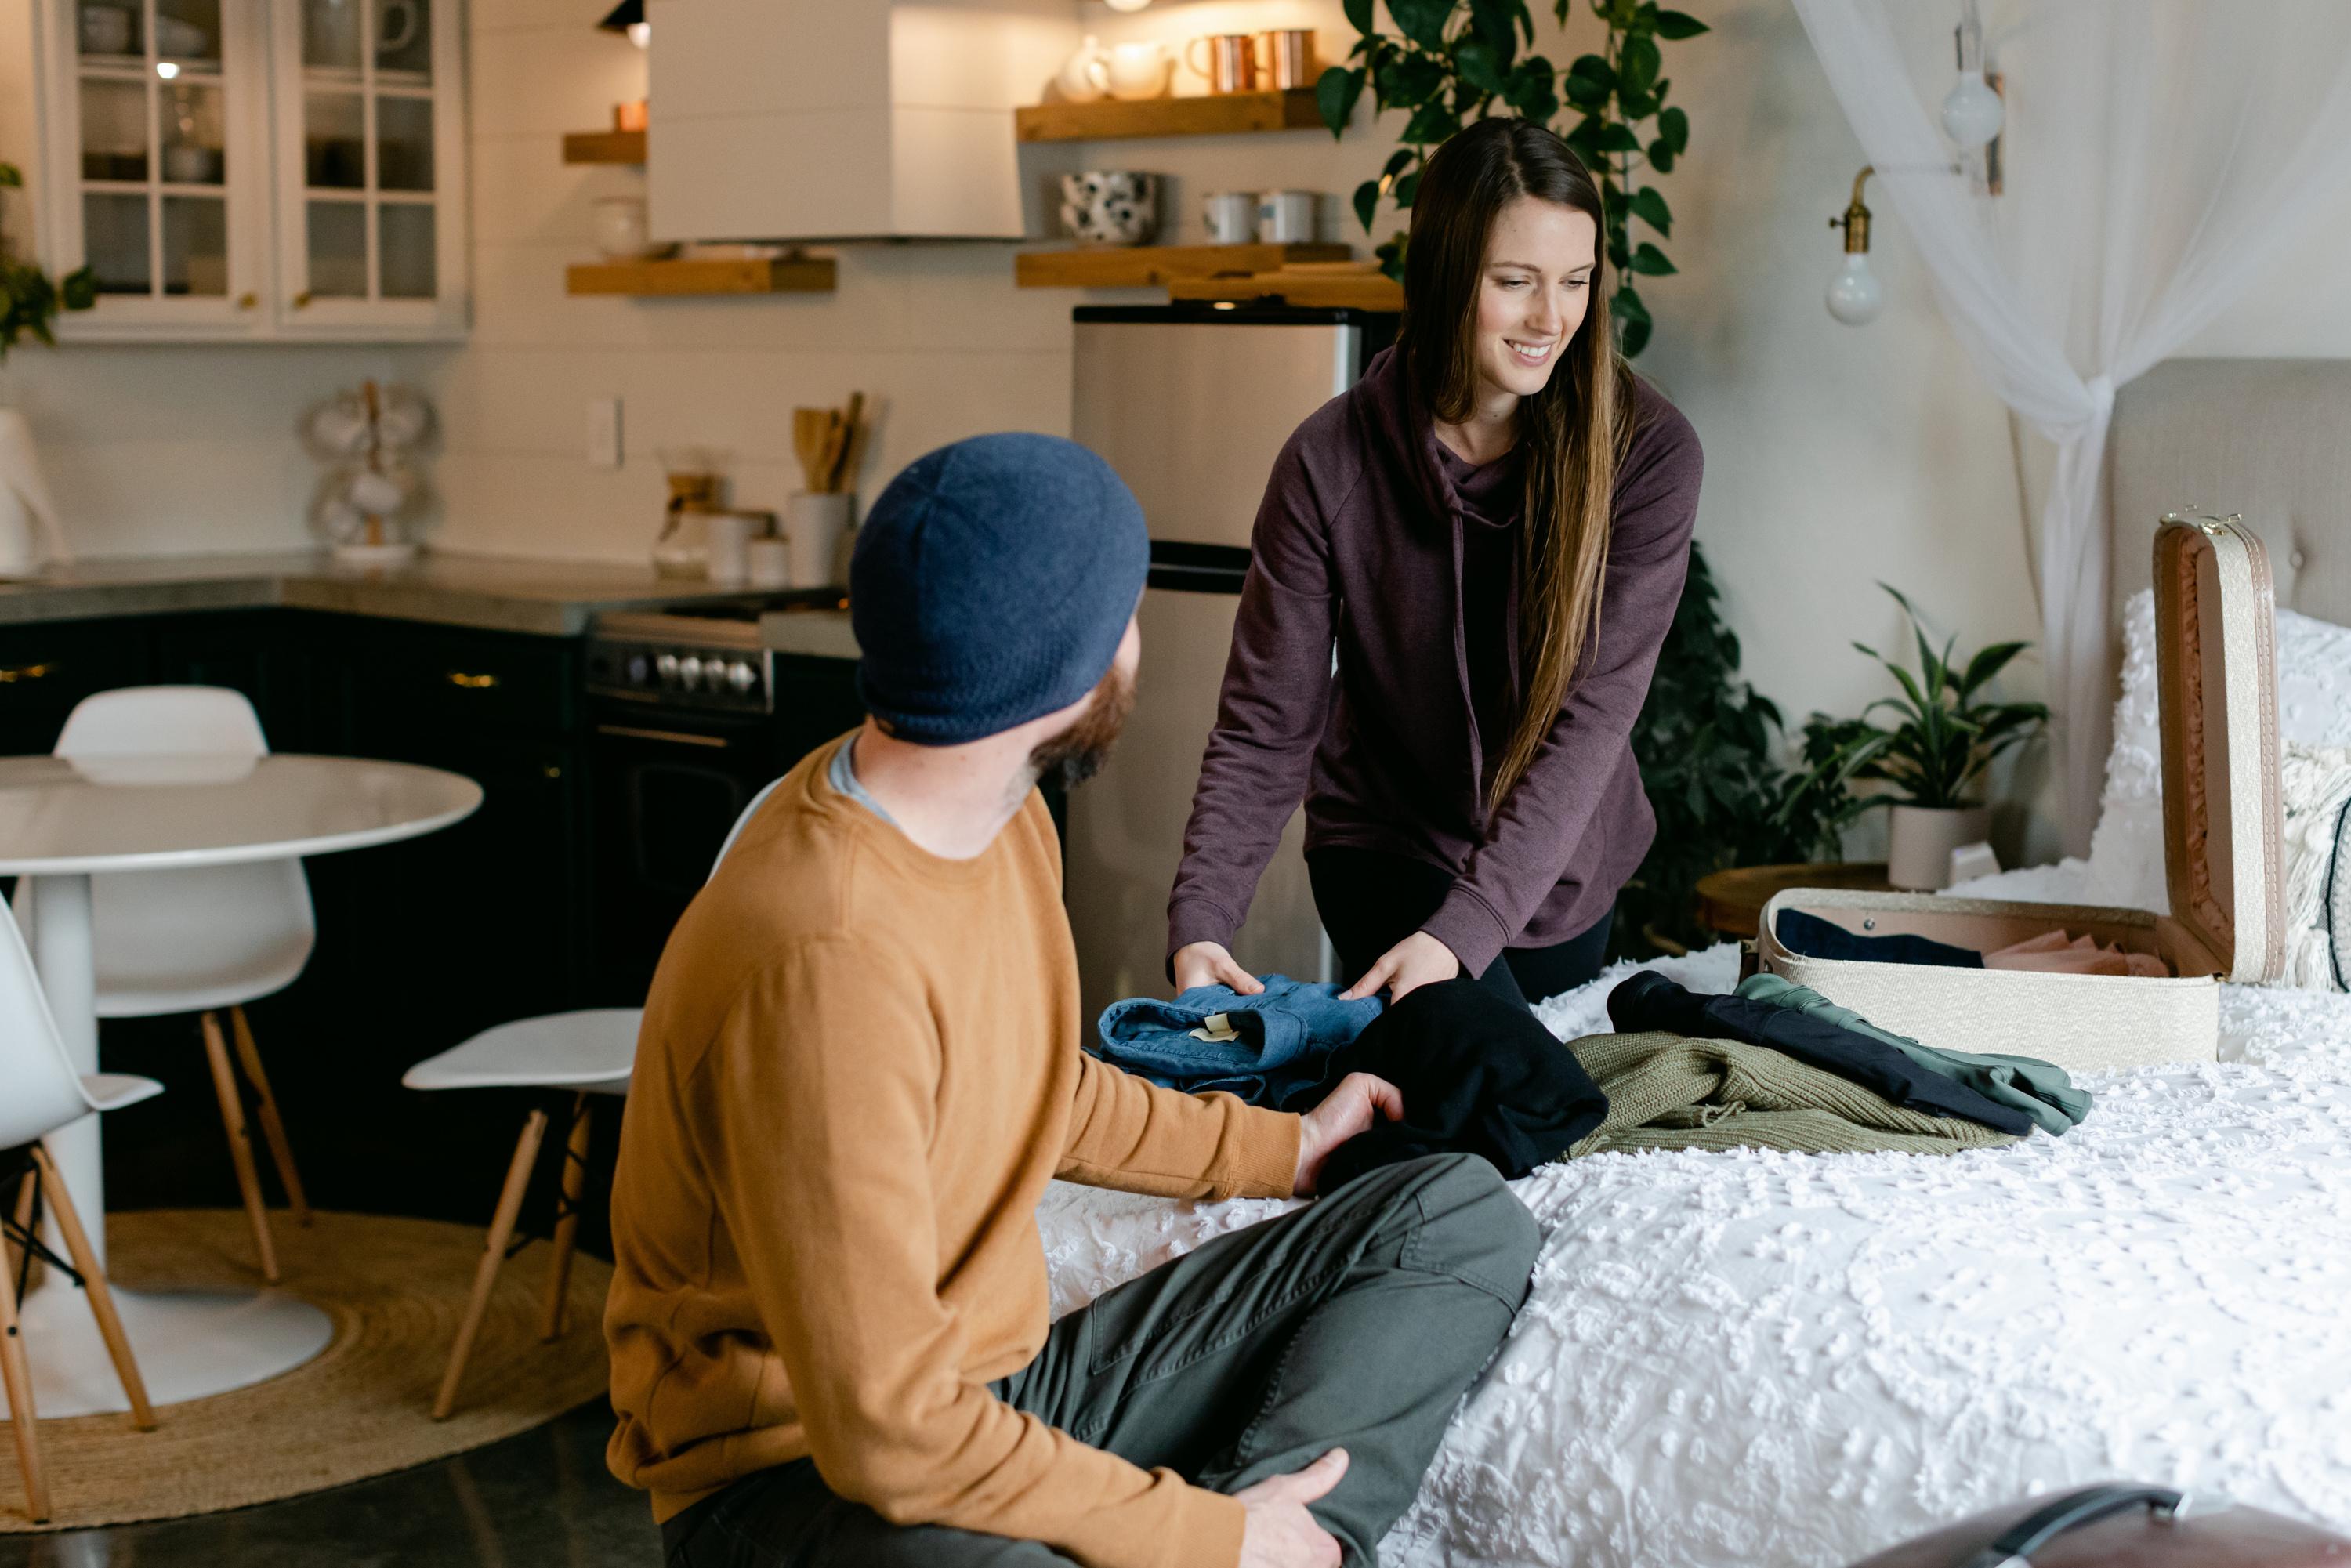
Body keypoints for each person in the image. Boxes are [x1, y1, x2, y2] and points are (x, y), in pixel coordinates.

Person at [603, 433, 1544, 1568]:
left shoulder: (1002, 816)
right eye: (1126, 613)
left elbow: (1036, 1087)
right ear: (1068, 665)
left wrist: (1287, 1148)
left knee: (1451, 1214)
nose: (1135, 643)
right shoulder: (825, 951)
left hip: (997, 1391)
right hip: (796, 1486)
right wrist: (1209, 1538)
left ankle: (1292, 1542)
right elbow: (887, 1436)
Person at [1168, 118, 1704, 1012]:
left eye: (1575, 282)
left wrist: (1468, 929)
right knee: (1449, 1080)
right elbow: (1267, 724)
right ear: (1448, 275)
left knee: (1523, 1099)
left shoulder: (1647, 455)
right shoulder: (1329, 460)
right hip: (1386, 850)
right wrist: (1202, 919)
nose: (1551, 319)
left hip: (1556, 881)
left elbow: (1590, 721)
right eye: (1515, 283)